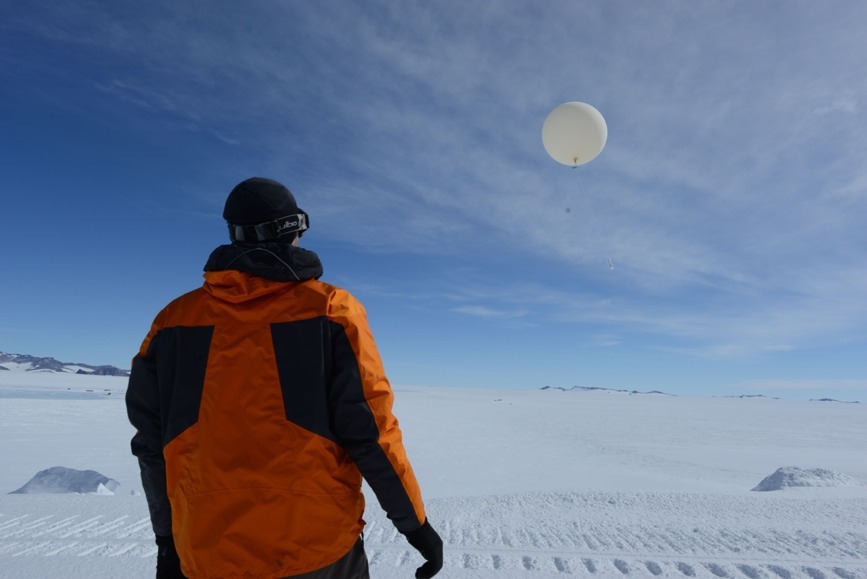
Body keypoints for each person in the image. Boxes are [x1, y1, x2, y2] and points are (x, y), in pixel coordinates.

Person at [126, 177, 443, 579]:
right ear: (292, 230)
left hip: (206, 553)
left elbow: (152, 445)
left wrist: (167, 542)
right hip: (316, 552)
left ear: (233, 234)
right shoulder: (331, 310)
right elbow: (371, 432)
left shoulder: (172, 321)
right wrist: (414, 526)